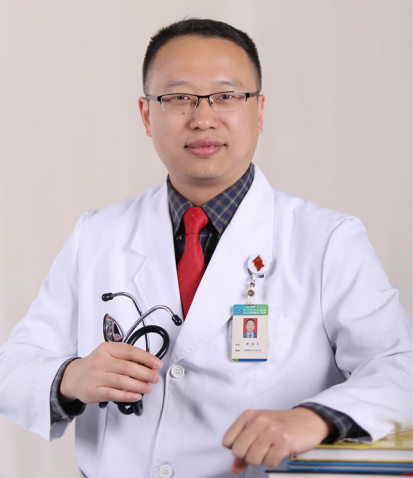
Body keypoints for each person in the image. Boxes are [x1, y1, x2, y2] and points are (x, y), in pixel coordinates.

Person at [0, 18, 411, 478]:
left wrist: (317, 418)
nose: (203, 118)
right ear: (146, 114)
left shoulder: (328, 240)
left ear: (259, 111)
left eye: (226, 95)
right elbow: (13, 366)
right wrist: (70, 378)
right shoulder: (96, 235)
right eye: (178, 98)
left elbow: (399, 366)